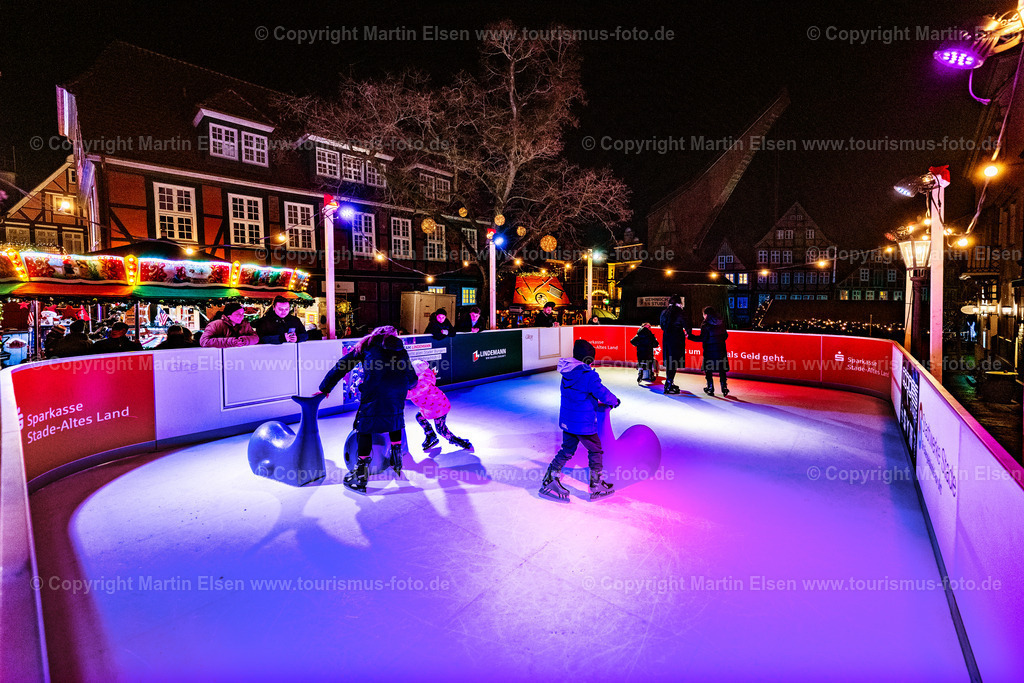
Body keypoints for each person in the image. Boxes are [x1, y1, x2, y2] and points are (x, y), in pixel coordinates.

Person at [317, 325, 418, 493]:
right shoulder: (400, 349)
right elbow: (412, 377)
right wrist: (406, 386)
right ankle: (396, 461)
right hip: (397, 391)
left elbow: (342, 365)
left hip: (374, 391)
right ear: (393, 335)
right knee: (395, 419)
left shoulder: (366, 345)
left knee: (365, 427)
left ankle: (361, 474)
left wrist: (325, 388)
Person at [539, 339, 620, 503]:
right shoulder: (589, 376)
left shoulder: (567, 373)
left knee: (567, 450)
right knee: (596, 450)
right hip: (583, 424)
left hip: (568, 421)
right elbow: (602, 393)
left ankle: (550, 477)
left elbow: (577, 395)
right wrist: (614, 401)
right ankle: (596, 484)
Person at [408, 359, 473, 451]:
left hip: (438, 406)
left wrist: (396, 390)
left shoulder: (423, 382)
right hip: (430, 405)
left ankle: (460, 442)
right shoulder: (423, 375)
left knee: (441, 429)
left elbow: (411, 394)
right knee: (419, 417)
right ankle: (430, 435)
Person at [688, 306, 730, 396]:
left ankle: (710, 387)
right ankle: (724, 387)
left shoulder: (705, 325)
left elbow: (702, 338)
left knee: (708, 369)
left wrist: (690, 337)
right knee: (722, 368)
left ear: (706, 315)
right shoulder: (721, 322)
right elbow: (725, 335)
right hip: (721, 349)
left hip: (709, 350)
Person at [659, 294, 690, 395]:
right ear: (679, 303)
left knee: (669, 362)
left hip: (666, 338)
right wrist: (688, 332)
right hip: (676, 339)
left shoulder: (664, 312)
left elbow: (662, 326)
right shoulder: (680, 312)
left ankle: (669, 382)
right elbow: (687, 325)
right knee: (674, 362)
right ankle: (669, 384)